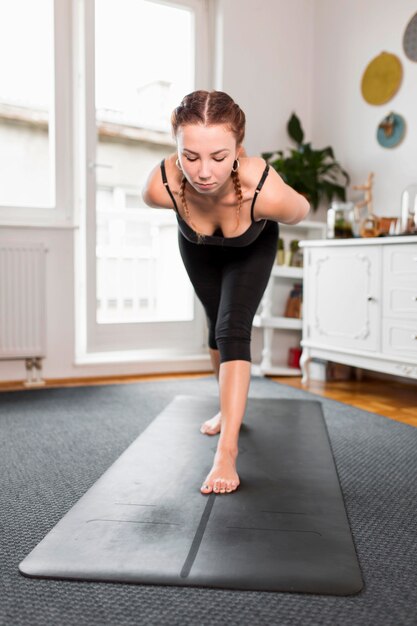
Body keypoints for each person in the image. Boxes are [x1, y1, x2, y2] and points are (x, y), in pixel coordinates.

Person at [142, 90, 310, 496]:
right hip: (197, 246)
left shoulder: (263, 188)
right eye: (191, 156)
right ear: (176, 149)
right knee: (214, 323)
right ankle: (225, 406)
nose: (203, 172)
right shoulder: (160, 186)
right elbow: (162, 191)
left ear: (238, 149)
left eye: (218, 157)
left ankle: (226, 453)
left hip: (250, 245)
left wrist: (266, 201)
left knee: (233, 327)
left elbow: (301, 209)